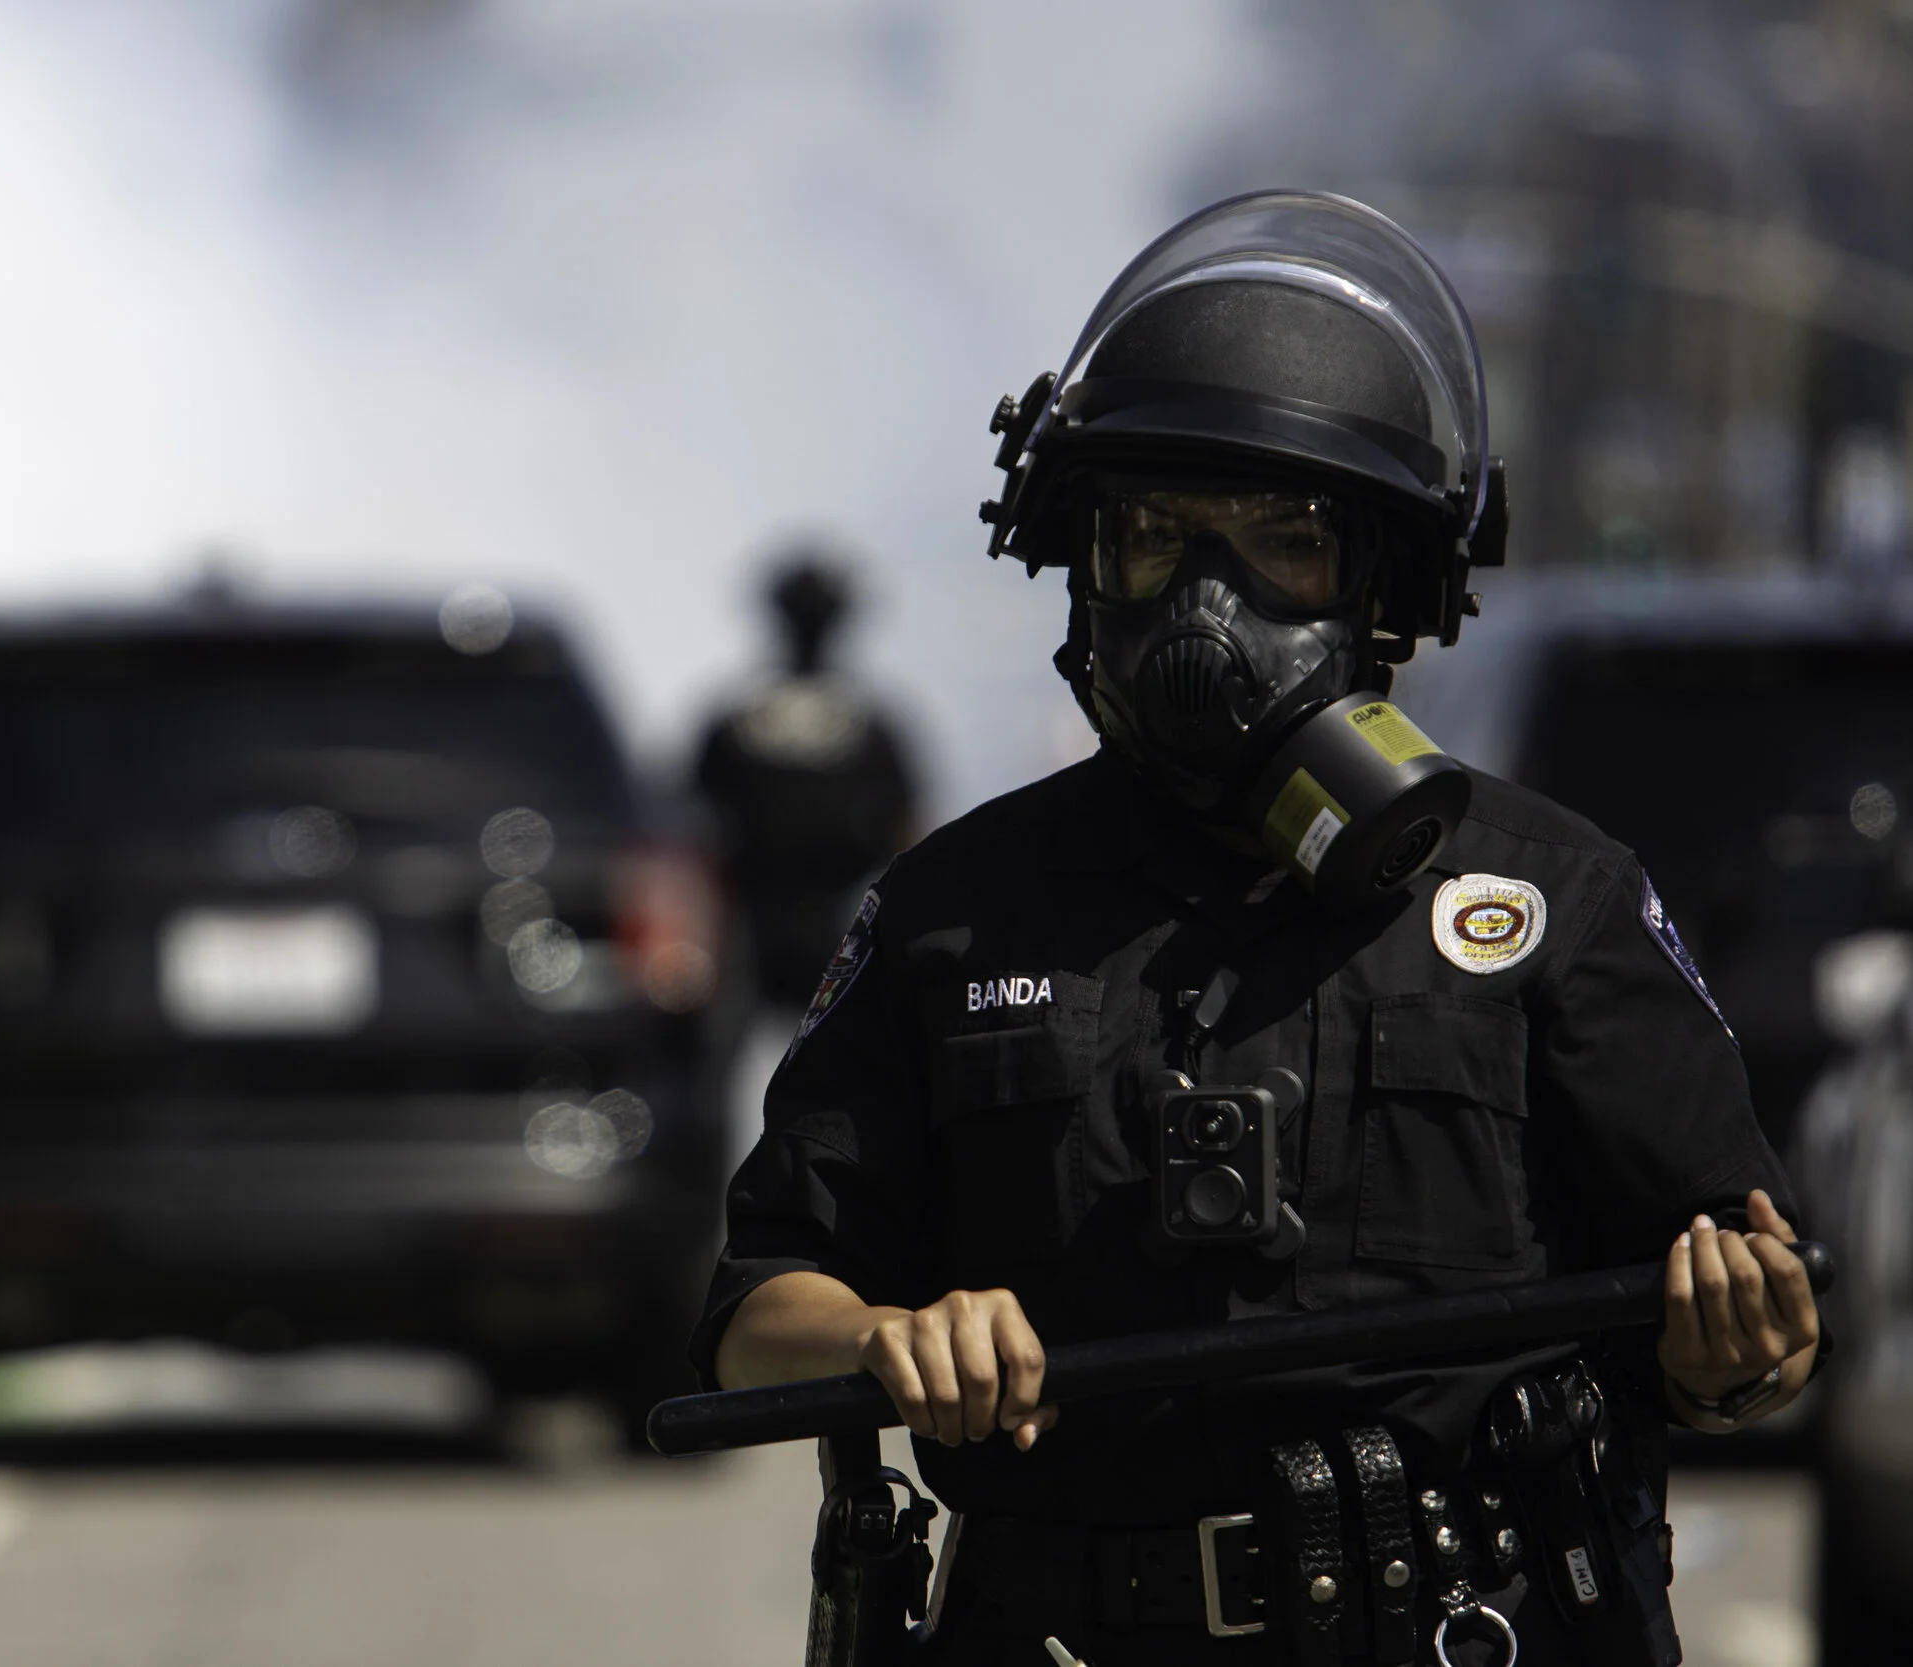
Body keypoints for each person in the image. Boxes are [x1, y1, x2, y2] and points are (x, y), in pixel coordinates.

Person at [691, 192, 1822, 1667]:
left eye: (1285, 539)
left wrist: (1737, 1351)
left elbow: (1756, 1314)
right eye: (1153, 534)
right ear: (1081, 557)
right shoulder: (949, 910)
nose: (1204, 601)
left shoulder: (1553, 895)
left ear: (1388, 584)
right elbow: (752, 1309)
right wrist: (883, 1338)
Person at [693, 550, 920, 1008]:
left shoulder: (734, 722)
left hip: (747, 941)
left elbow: (691, 821)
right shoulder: (872, 728)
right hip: (834, 935)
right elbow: (907, 831)